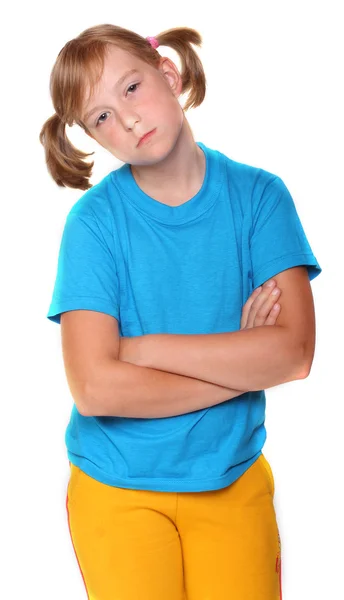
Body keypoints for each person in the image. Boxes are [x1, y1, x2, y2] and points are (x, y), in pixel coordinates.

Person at [40, 24, 321, 600]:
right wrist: (238, 365)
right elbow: (96, 389)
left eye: (132, 88)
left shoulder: (260, 198)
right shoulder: (93, 225)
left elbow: (292, 354)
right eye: (101, 118)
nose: (127, 120)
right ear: (95, 138)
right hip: (117, 487)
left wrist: (145, 350)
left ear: (168, 73)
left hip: (232, 477)